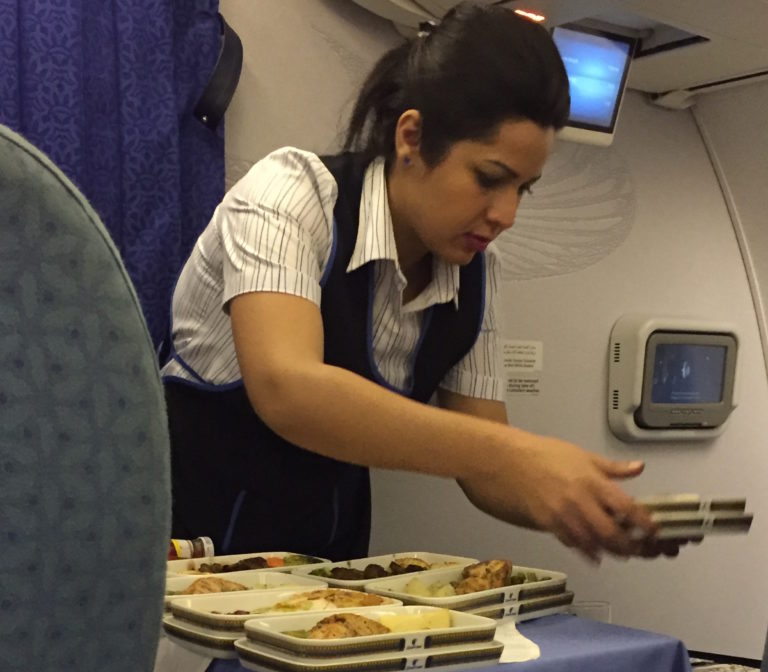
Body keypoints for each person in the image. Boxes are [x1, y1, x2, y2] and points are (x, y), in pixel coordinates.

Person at [161, 1, 666, 564]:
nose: (506, 215)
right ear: (412, 137)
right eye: (489, 178)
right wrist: (513, 452)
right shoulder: (291, 196)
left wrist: (583, 503)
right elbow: (289, 388)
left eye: (523, 189)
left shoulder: (475, 273)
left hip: (328, 574)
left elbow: (488, 474)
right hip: (190, 564)